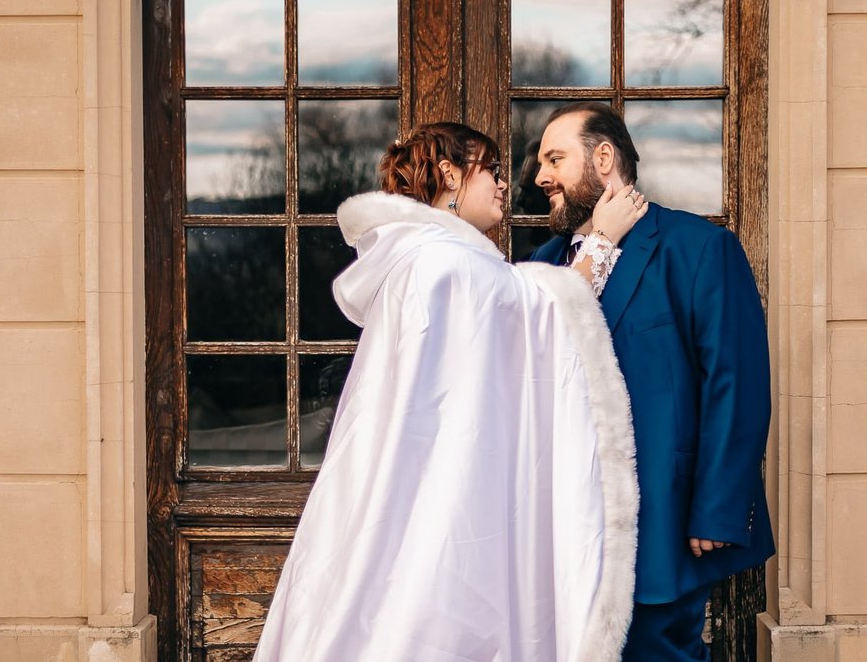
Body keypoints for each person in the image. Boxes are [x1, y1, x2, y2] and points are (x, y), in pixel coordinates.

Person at [253, 122, 648, 662]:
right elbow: (539, 313)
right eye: (490, 170)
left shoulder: (427, 257)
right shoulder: (444, 263)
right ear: (449, 175)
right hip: (443, 492)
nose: (507, 185)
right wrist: (600, 241)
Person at [525, 102, 776, 662]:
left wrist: (717, 507)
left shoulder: (699, 249)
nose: (540, 176)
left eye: (555, 159)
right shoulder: (544, 266)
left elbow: (735, 384)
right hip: (565, 524)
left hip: (665, 514)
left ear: (605, 157)